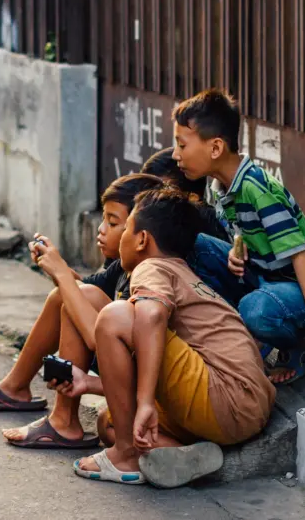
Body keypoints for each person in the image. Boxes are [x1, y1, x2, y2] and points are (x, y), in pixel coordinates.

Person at [72, 188, 276, 487]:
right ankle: (182, 453)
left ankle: (126, 457)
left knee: (116, 316)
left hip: (224, 394)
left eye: (126, 227)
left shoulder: (151, 266)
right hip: (244, 408)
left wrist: (145, 403)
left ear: (142, 239)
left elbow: (152, 316)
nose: (123, 236)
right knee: (110, 423)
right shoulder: (183, 272)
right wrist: (90, 384)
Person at [0, 173, 164, 447]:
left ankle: (63, 420)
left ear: (141, 235)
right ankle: (14, 387)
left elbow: (95, 333)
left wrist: (63, 274)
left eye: (113, 223)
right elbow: (78, 290)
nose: (100, 229)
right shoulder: (122, 267)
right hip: (121, 360)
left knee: (77, 294)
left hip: (136, 372)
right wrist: (55, 267)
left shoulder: (154, 276)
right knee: (65, 294)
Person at [171, 89, 305, 385]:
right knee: (194, 245)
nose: (175, 155)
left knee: (255, 310)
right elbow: (245, 238)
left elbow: (300, 257)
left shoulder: (257, 188)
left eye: (181, 145)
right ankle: (241, 337)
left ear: (215, 148)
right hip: (267, 280)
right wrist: (234, 254)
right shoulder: (220, 188)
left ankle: (302, 337)